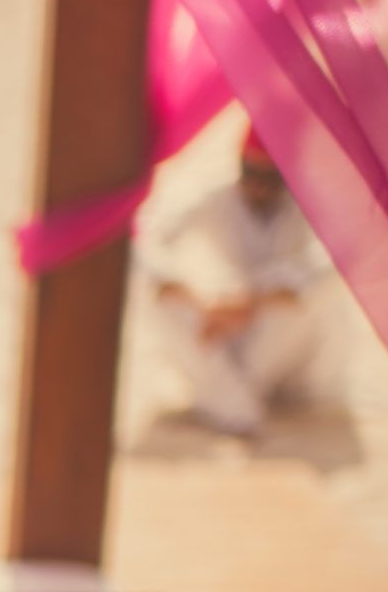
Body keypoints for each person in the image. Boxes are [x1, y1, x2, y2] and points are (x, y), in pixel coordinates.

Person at [144, 127, 342, 437]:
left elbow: (330, 265)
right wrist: (202, 301)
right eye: (249, 172)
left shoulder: (313, 200)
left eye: (270, 177)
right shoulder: (216, 193)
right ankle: (236, 403)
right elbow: (147, 242)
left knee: (298, 304)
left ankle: (228, 400)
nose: (258, 186)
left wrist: (250, 302)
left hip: (284, 350)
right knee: (163, 299)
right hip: (222, 328)